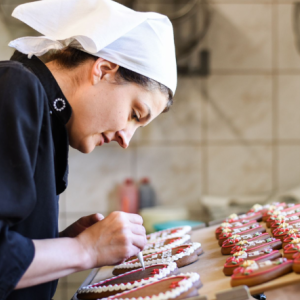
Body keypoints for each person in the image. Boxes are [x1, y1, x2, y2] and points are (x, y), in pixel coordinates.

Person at [0, 0, 177, 299]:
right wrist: (85, 250)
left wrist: (63, 242)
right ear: (104, 69)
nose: (126, 139)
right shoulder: (16, 87)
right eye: (135, 113)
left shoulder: (46, 112)